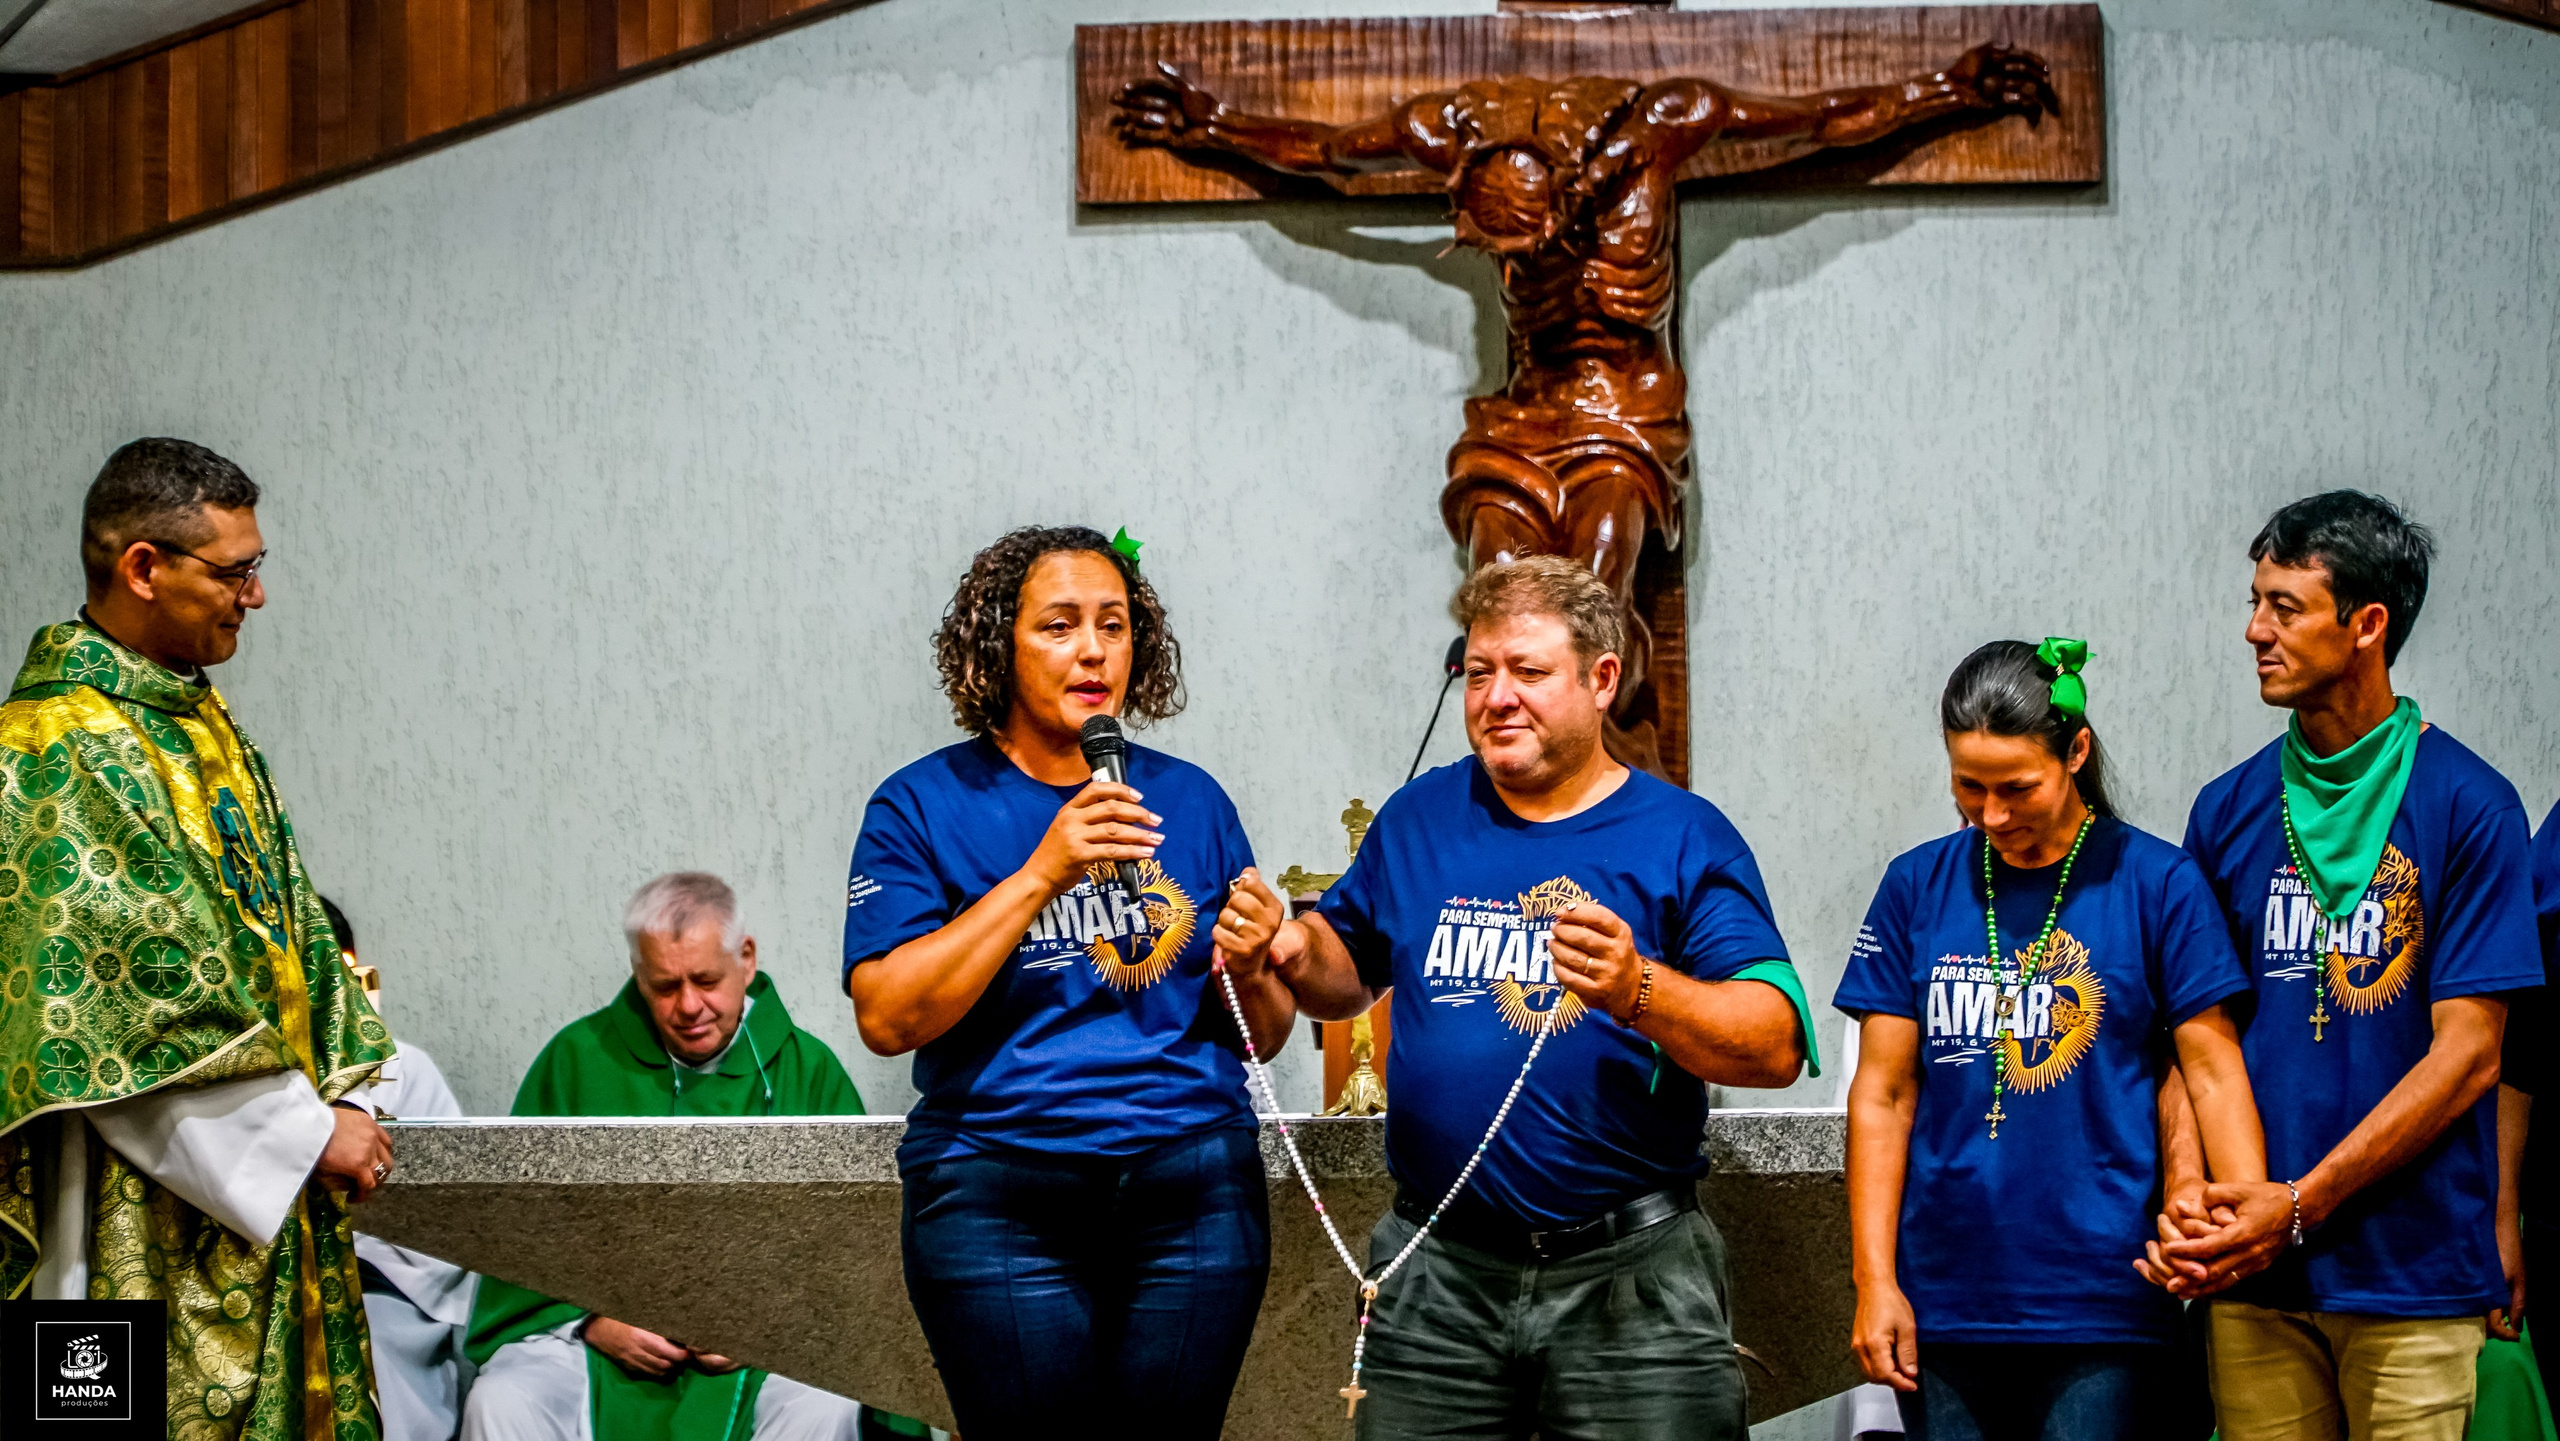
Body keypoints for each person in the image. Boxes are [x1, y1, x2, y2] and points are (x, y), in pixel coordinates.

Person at [1264, 555, 1815, 1441]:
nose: (1497, 697)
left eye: (1528, 670)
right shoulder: (1417, 817)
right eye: (1479, 672)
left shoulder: (1683, 835)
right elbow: (1347, 973)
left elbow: (1775, 1042)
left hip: (1631, 1285)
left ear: (1601, 679)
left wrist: (1639, 989)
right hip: (1437, 1284)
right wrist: (1297, 945)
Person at [843, 525, 1292, 1441]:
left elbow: (1262, 1032)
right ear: (997, 646)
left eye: (1114, 625)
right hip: (1000, 1195)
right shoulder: (921, 803)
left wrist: (1252, 962)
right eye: (1059, 625)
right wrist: (1043, 871)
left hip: (1192, 1189)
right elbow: (887, 1017)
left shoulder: (1193, 800)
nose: (1093, 650)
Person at [0, 437, 396, 1436]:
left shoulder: (200, 722)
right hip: (128, 1204)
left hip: (259, 1196)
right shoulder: (61, 746)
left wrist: (343, 1089)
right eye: (234, 570)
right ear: (143, 566)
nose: (255, 595)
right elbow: (122, 1007)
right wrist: (304, 1132)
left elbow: (294, 928)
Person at [2153, 492, 2544, 1441]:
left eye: (2285, 608)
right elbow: (2192, 1040)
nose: (2255, 630)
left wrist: (2299, 1204)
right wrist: (2188, 1193)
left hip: (2411, 1275)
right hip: (2254, 1277)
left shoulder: (2471, 804)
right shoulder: (2226, 810)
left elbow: (2470, 1055)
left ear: (2367, 624)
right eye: (2255, 602)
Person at [1836, 639, 2261, 1440]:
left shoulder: (2158, 883)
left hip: (2105, 1301)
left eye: (2017, 787)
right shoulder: (1915, 886)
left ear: (2076, 752)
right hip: (1944, 1303)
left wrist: (2240, 1230)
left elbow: (2210, 1071)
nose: (1992, 814)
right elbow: (1883, 1094)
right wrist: (1874, 1280)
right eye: (1969, 786)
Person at [462, 872, 887, 1441]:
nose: (689, 1006)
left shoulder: (809, 1073)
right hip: (597, 1347)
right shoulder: (576, 1063)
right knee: (504, 1401)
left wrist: (767, 1326)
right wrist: (593, 1322)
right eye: (665, 986)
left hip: (769, 1350)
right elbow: (521, 1233)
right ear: (638, 973)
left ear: (746, 959)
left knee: (824, 1408)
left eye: (706, 980)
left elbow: (852, 1249)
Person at [325, 895, 483, 1441]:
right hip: (267, 1279)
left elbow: (450, 1214)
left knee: (370, 1348)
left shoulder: (403, 1069)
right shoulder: (252, 1083)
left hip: (381, 1283)